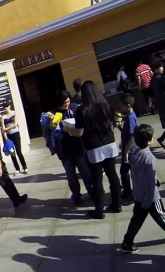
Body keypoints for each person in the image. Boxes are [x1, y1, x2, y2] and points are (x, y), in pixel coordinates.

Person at [64, 80, 121, 219]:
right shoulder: (106, 105)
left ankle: (99, 211)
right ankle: (117, 204)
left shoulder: (82, 110)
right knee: (112, 175)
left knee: (97, 180)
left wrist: (67, 128)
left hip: (94, 147)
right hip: (110, 143)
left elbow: (79, 133)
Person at [119, 124, 165, 253]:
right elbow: (150, 183)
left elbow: (142, 174)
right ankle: (127, 243)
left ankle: (127, 243)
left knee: (136, 220)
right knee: (162, 217)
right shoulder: (150, 159)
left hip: (138, 195)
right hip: (150, 198)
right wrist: (148, 200)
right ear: (149, 141)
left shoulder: (134, 151)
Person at [54, 90, 93, 204]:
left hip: (78, 147)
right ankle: (76, 195)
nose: (67, 104)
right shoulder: (55, 113)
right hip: (65, 150)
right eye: (65, 102)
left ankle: (91, 192)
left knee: (85, 173)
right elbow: (52, 132)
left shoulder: (75, 108)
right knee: (71, 176)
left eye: (68, 101)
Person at [117, 94, 137, 204]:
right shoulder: (129, 116)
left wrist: (126, 152)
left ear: (128, 105)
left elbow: (132, 136)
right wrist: (119, 126)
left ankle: (128, 193)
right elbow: (126, 133)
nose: (120, 107)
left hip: (131, 151)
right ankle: (128, 191)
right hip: (129, 150)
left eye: (122, 105)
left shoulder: (130, 118)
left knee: (125, 172)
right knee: (126, 172)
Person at [0, 102, 28, 175]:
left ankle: (25, 167)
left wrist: (6, 129)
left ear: (9, 106)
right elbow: (3, 128)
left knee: (19, 151)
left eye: (6, 106)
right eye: (4, 107)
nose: (5, 108)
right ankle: (17, 168)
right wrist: (6, 138)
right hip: (9, 136)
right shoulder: (3, 117)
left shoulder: (14, 113)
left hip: (16, 133)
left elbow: (15, 124)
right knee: (12, 153)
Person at [150, 61, 165, 148]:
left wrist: (151, 103)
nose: (162, 69)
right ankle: (161, 139)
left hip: (160, 104)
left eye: (162, 67)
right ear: (155, 70)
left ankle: (161, 138)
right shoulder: (161, 78)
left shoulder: (152, 80)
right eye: (160, 68)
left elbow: (151, 93)